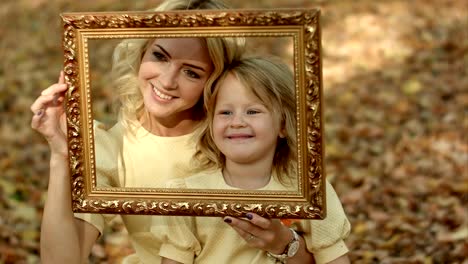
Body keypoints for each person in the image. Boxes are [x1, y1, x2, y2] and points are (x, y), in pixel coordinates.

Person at [30, 0, 247, 263]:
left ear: (214, 80)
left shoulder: (239, 132)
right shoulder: (110, 149)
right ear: (142, 52)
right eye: (160, 56)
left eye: (191, 72)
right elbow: (61, 260)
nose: (167, 81)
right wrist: (61, 157)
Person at [152, 56, 351, 264]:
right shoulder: (187, 194)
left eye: (253, 111)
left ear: (283, 125)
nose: (237, 122)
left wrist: (284, 242)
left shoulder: (310, 191)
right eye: (225, 112)